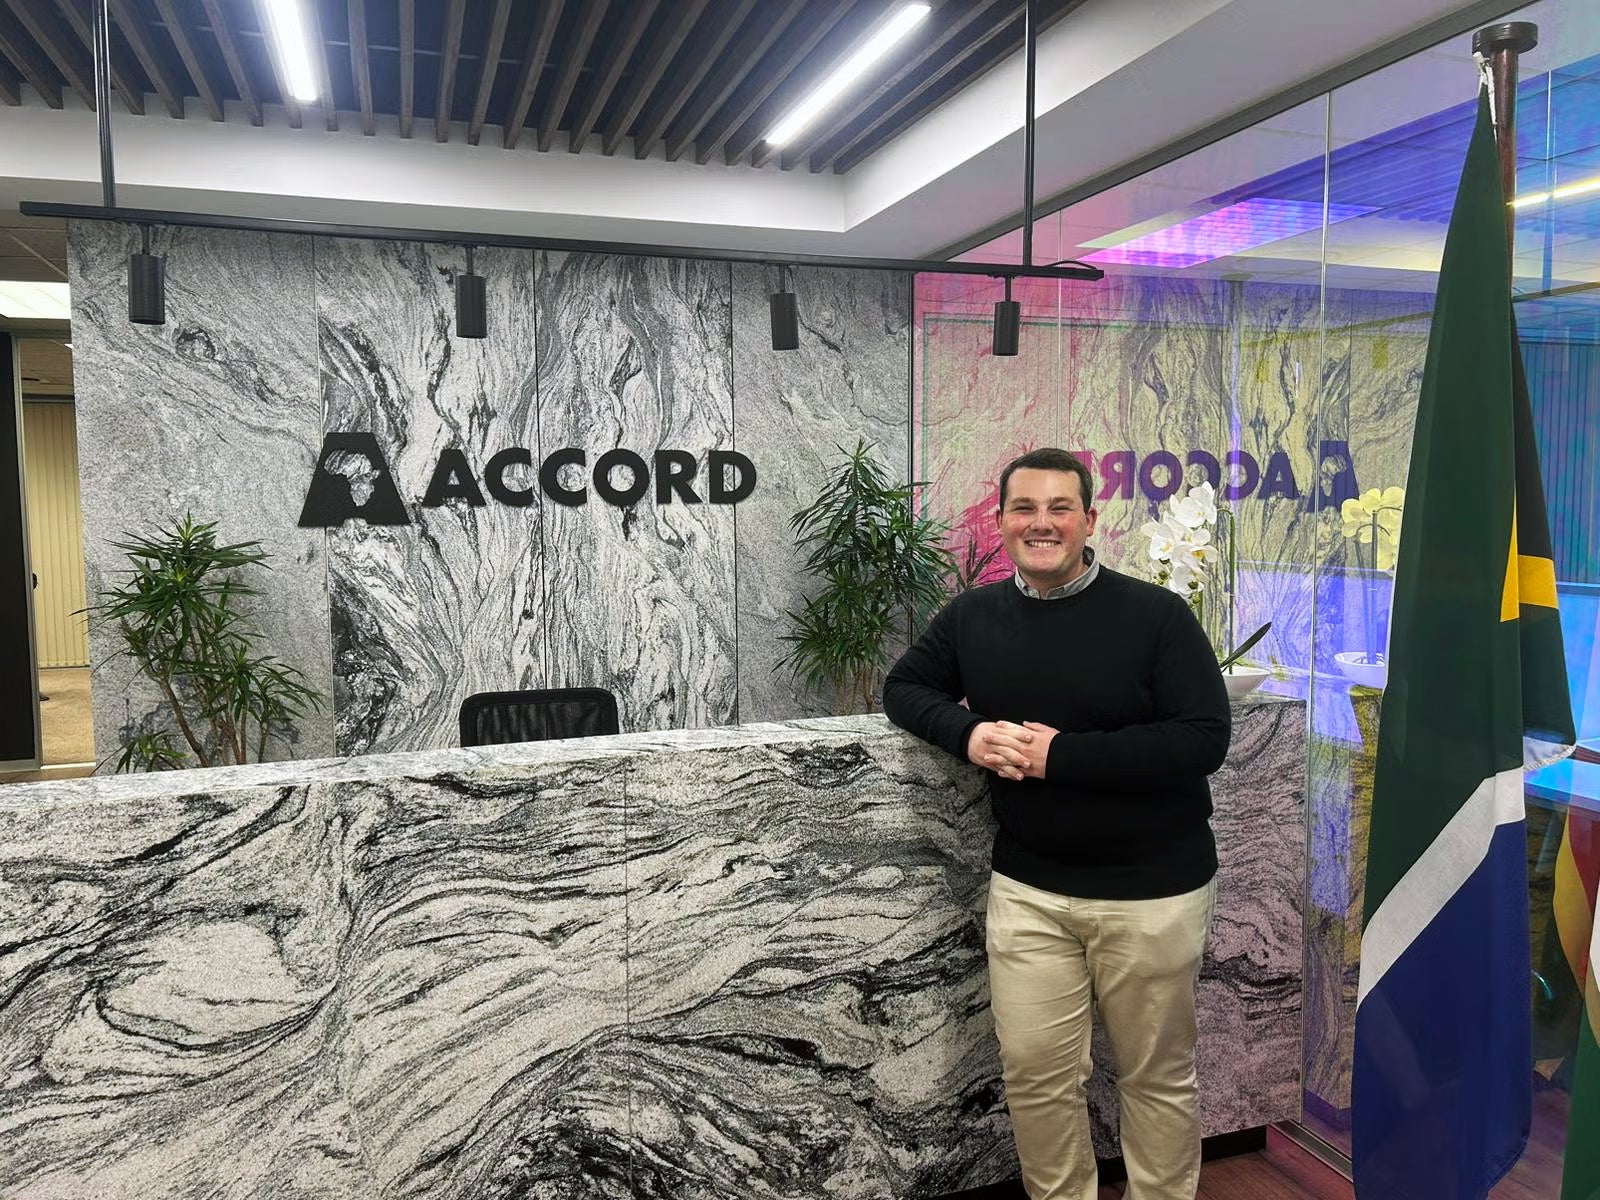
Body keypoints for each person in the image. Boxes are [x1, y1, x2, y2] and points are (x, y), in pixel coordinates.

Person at [882, 448, 1230, 1200]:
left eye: (1059, 508)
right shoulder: (974, 615)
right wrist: (967, 735)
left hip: (1152, 892)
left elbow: (1204, 737)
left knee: (1157, 1079)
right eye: (1025, 509)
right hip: (1031, 890)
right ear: (1002, 521)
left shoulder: (1156, 617)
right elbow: (905, 687)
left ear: (1089, 521)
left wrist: (1059, 757)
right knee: (1036, 1077)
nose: (1042, 524)